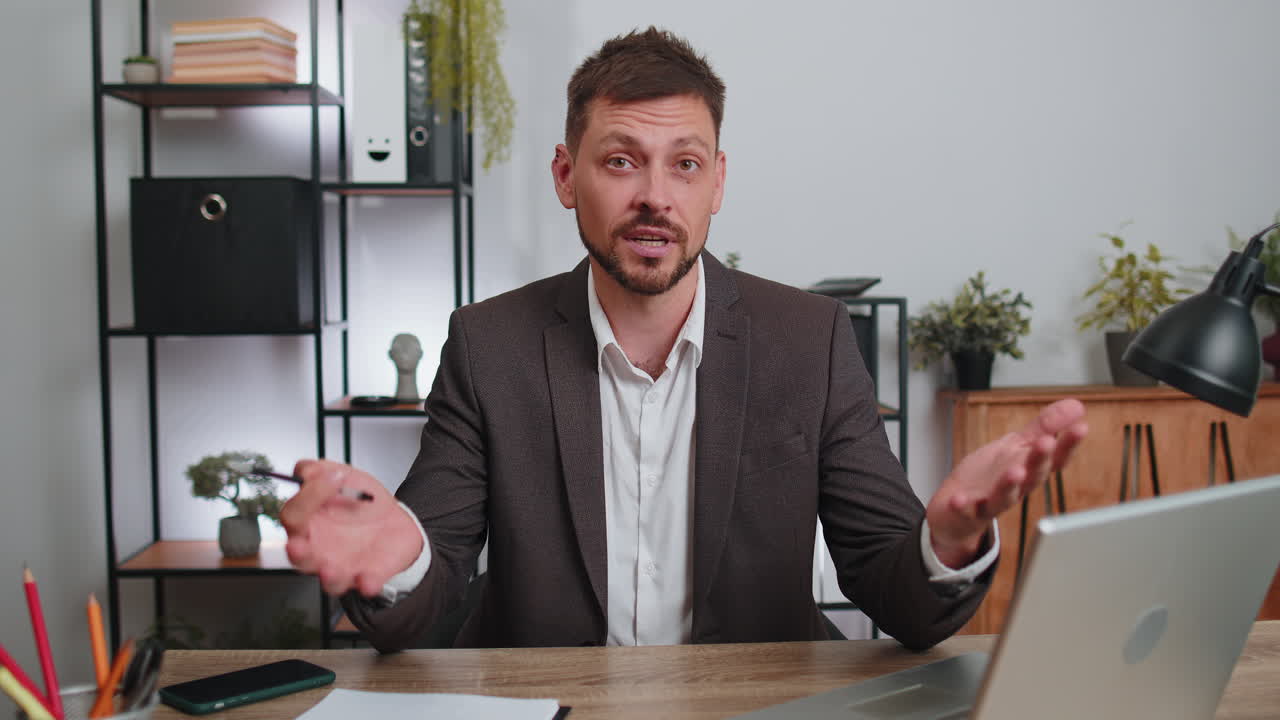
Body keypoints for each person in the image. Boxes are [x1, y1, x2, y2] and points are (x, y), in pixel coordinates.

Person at [281, 27, 1087, 651]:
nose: (655, 197)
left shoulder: (808, 340)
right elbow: (426, 595)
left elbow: (895, 590)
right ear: (566, 177)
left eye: (686, 165)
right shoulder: (487, 345)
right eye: (621, 161)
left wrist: (948, 541)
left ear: (718, 182)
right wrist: (401, 562)